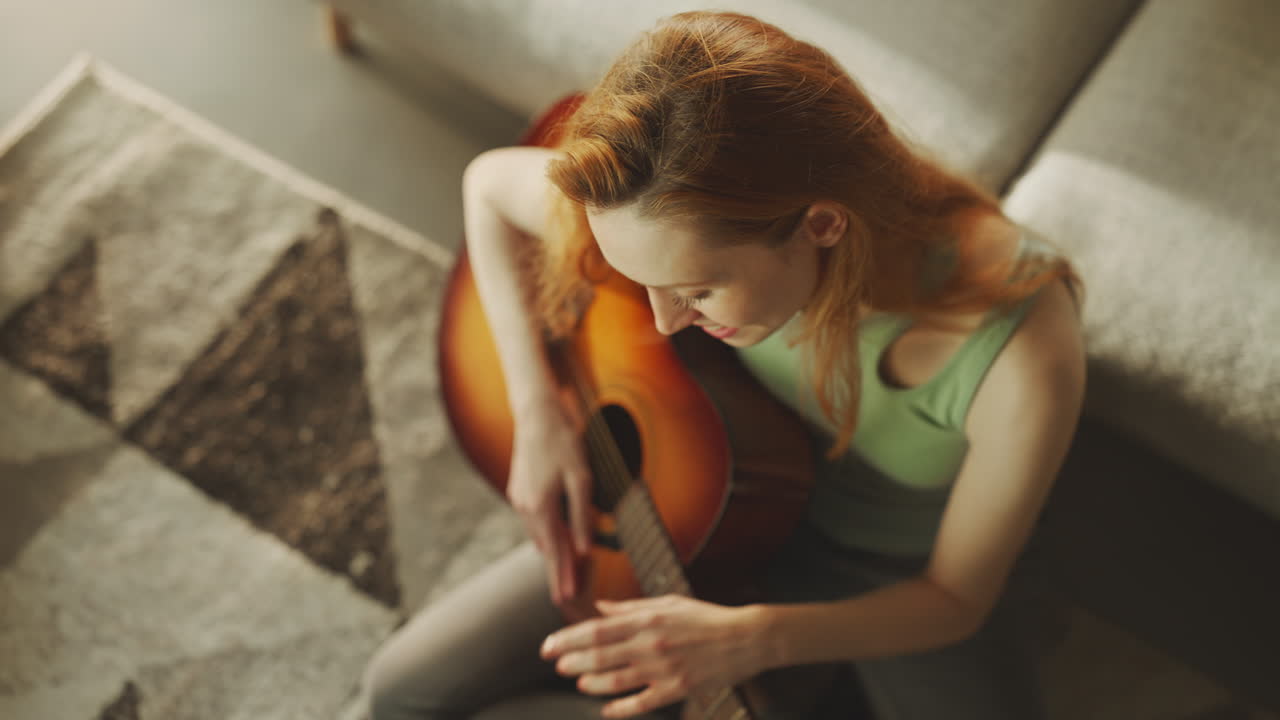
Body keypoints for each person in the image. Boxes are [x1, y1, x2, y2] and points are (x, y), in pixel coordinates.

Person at [363, 9, 1086, 720]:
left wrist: (751, 641)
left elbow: (956, 599)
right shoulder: (660, 203)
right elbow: (487, 186)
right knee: (404, 690)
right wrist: (536, 408)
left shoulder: (1023, 351)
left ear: (823, 225)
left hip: (894, 581)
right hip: (714, 491)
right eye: (643, 282)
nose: (663, 320)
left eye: (696, 291)